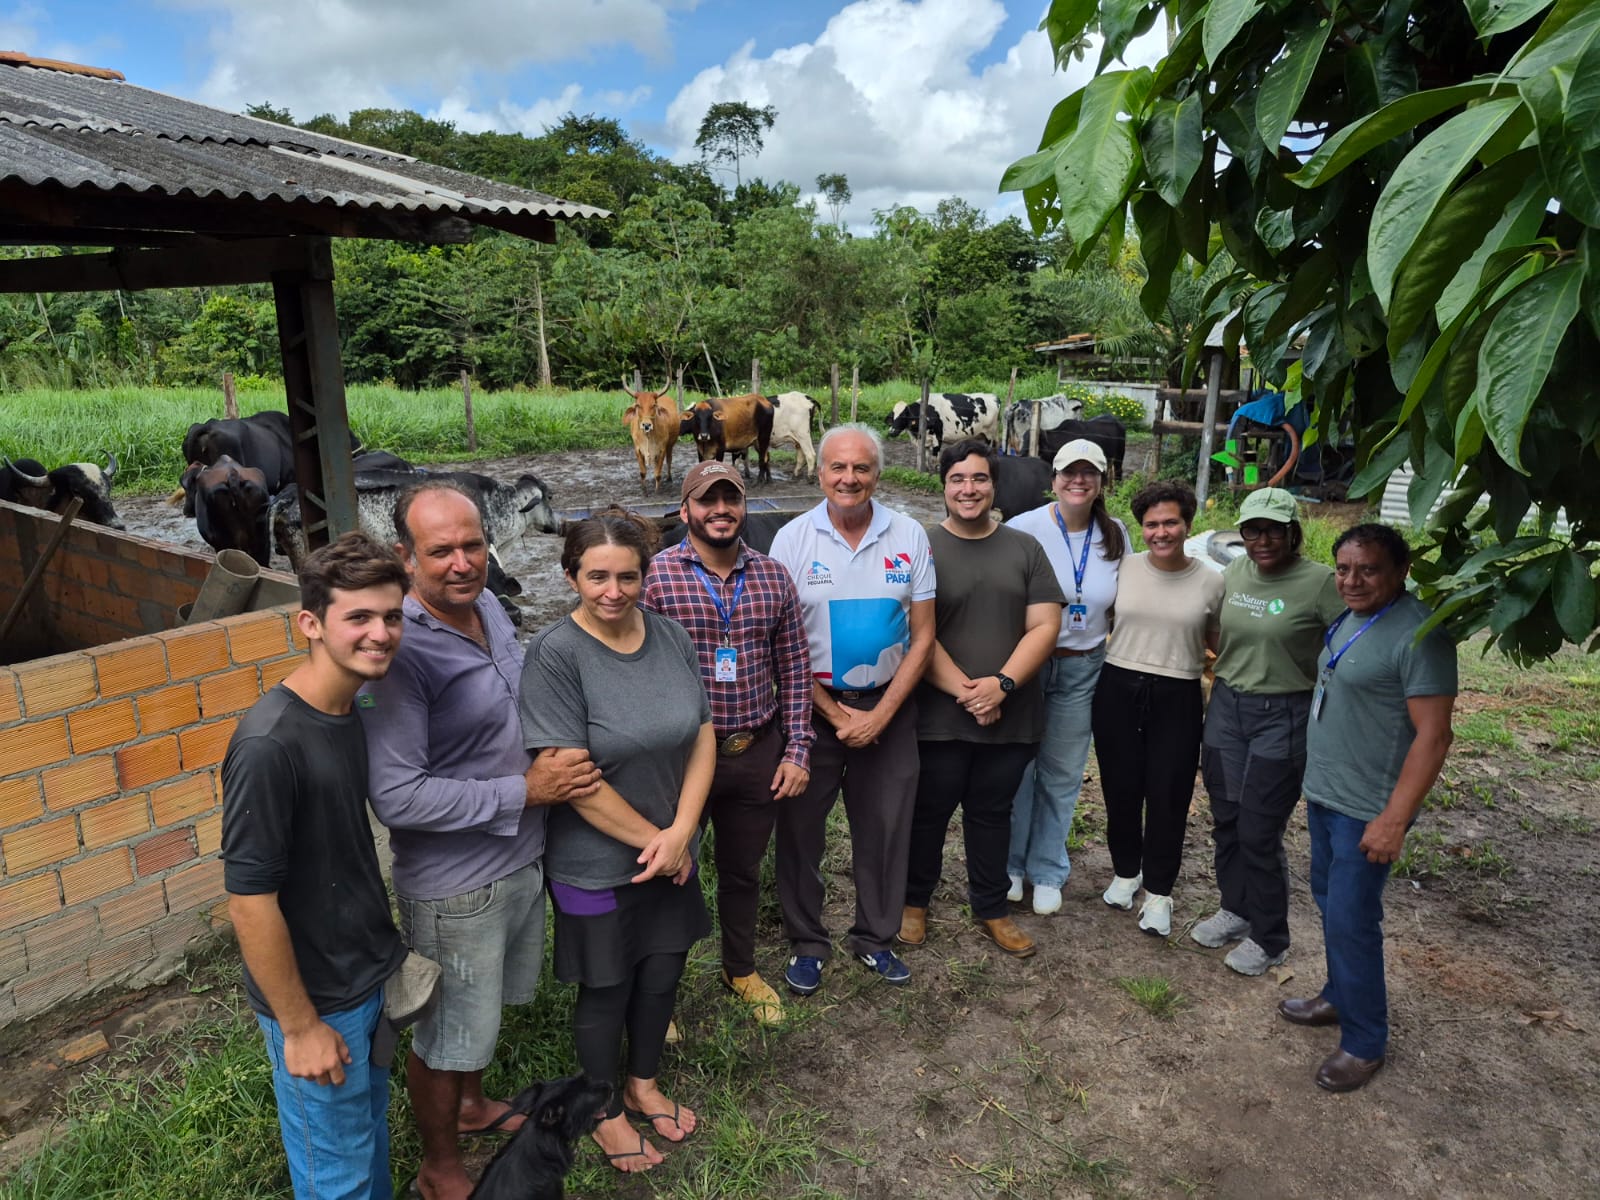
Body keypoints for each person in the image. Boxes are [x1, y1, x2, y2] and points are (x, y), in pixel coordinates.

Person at [360, 481, 603, 1200]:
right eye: (441, 551)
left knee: (480, 1017)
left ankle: (469, 1106)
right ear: (406, 557)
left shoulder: (488, 605)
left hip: (519, 856)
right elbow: (397, 796)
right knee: (445, 1037)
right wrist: (526, 791)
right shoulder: (400, 655)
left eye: (473, 545)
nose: (462, 562)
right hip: (458, 885)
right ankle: (439, 1169)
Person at [520, 511, 715, 1173]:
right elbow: (572, 778)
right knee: (606, 986)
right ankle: (603, 1110)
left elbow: (702, 733)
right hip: (593, 863)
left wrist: (682, 832)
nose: (613, 591)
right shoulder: (555, 655)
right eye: (597, 576)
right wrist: (660, 842)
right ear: (570, 576)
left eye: (627, 577)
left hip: (672, 848)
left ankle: (643, 1083)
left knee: (662, 971)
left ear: (645, 575)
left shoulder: (670, 636)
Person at [221, 532, 412, 1200]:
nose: (380, 633)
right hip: (318, 1002)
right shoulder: (270, 744)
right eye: (358, 617)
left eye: (391, 616)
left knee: (368, 1145)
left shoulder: (349, 707)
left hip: (363, 977)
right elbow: (248, 901)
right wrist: (300, 1028)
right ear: (310, 623)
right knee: (338, 1179)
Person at [1280, 523, 1456, 1093]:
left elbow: (1434, 736)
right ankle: (1338, 995)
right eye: (1344, 569)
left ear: (1401, 571)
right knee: (1330, 903)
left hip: (1370, 809)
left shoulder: (1420, 634)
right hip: (1327, 794)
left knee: (1352, 920)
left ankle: (1364, 1042)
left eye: (1369, 570)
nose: (1352, 580)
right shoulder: (1351, 617)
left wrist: (1394, 820)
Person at [642, 460, 813, 1024]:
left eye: (730, 499)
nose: (720, 510)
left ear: (744, 506)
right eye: (707, 500)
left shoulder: (772, 576)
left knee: (743, 871)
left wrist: (797, 749)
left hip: (752, 750)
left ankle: (739, 968)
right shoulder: (656, 577)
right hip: (679, 760)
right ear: (685, 509)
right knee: (670, 871)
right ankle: (659, 991)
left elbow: (794, 666)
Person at [768, 424, 936, 992]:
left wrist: (881, 715)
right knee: (800, 831)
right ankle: (807, 942)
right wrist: (838, 717)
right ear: (820, 473)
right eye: (838, 467)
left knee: (886, 827)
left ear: (877, 474)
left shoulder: (908, 534)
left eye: (861, 467)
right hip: (810, 713)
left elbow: (923, 636)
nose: (849, 478)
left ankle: (875, 937)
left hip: (889, 708)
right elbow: (780, 643)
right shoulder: (792, 540)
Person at [899, 440, 1063, 958]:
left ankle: (992, 907)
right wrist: (969, 693)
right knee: (928, 811)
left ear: (994, 485)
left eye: (979, 478)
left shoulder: (1025, 549)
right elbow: (914, 630)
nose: (968, 489)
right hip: (939, 715)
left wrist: (1002, 685)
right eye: (958, 479)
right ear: (943, 486)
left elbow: (1045, 625)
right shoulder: (921, 547)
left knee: (993, 812)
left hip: (1011, 714)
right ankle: (913, 902)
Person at [1193, 487, 1344, 976]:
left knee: (1259, 829)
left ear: (1292, 532)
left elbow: (1352, 643)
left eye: (1273, 530)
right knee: (1226, 818)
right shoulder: (1234, 572)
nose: (1262, 540)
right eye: (1252, 530)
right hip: (1227, 707)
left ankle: (1270, 935)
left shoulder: (1321, 583)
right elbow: (1215, 631)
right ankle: (1235, 909)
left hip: (1284, 713)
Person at [1091, 479, 1223, 938]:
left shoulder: (1212, 580)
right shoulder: (1124, 568)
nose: (1161, 532)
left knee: (1169, 794)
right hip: (1118, 686)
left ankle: (1160, 893)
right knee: (1120, 788)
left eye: (1170, 523)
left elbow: (1218, 643)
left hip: (1177, 693)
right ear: (1141, 527)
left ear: (1188, 525)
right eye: (1151, 524)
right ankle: (1127, 872)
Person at [1003, 438, 1128, 915]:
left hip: (1083, 666)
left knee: (1062, 771)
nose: (1079, 481)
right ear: (1053, 480)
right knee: (1019, 768)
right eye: (1069, 473)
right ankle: (1011, 865)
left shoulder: (1115, 534)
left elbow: (1121, 603)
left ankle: (1048, 869)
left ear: (1101, 481)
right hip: (1030, 664)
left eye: (1089, 472)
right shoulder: (1023, 528)